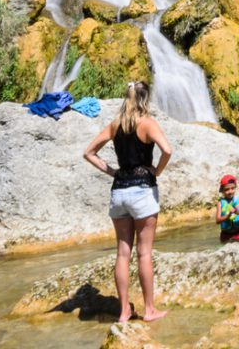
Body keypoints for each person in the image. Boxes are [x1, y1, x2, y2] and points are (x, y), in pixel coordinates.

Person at [83, 80, 172, 323]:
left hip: (119, 192)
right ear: (145, 99)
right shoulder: (148, 123)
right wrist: (157, 171)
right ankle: (149, 310)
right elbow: (167, 150)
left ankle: (124, 311)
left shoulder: (116, 125)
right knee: (144, 253)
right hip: (142, 191)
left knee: (123, 254)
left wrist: (113, 172)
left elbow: (88, 153)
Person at [216, 173, 239, 243]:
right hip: (225, 234)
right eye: (227, 189)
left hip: (237, 233)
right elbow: (217, 220)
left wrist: (238, 212)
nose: (230, 191)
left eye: (232, 188)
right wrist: (227, 216)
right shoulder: (220, 203)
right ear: (222, 190)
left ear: (235, 187)